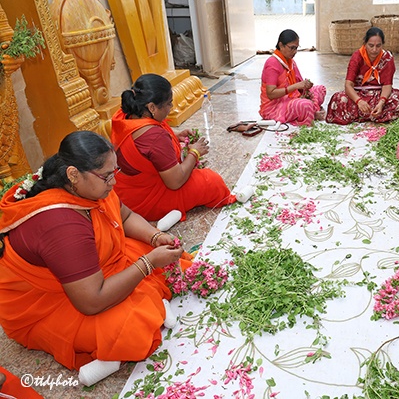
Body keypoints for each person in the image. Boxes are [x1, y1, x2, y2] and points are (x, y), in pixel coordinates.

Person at [0, 131, 190, 373]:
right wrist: (149, 263)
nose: (114, 182)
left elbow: (126, 216)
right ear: (73, 174)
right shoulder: (62, 225)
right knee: (132, 326)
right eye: (107, 176)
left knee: (162, 258)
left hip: (89, 273)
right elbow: (92, 302)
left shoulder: (88, 188)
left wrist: (154, 237)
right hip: (50, 302)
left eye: (115, 172)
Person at [111, 73, 236, 222]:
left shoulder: (126, 115)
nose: (171, 108)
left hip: (125, 194)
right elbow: (175, 182)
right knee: (211, 181)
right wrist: (195, 152)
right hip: (145, 201)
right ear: (152, 107)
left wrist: (175, 136)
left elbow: (143, 144)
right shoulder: (155, 136)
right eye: (169, 103)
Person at [326, 27, 399, 125]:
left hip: (378, 94)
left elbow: (387, 85)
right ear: (365, 44)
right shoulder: (357, 56)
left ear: (383, 45)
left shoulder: (387, 58)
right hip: (358, 94)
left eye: (378, 46)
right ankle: (375, 116)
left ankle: (366, 114)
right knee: (339, 99)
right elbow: (348, 85)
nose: (374, 50)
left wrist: (381, 103)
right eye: (371, 45)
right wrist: (359, 101)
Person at [260, 29, 326, 126]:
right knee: (306, 105)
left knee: (320, 89)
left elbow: (299, 86)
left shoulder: (290, 61)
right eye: (292, 48)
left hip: (291, 98)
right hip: (275, 106)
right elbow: (271, 94)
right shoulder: (272, 63)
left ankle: (308, 113)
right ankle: (310, 114)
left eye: (296, 48)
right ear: (281, 45)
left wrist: (306, 88)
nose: (295, 52)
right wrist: (295, 87)